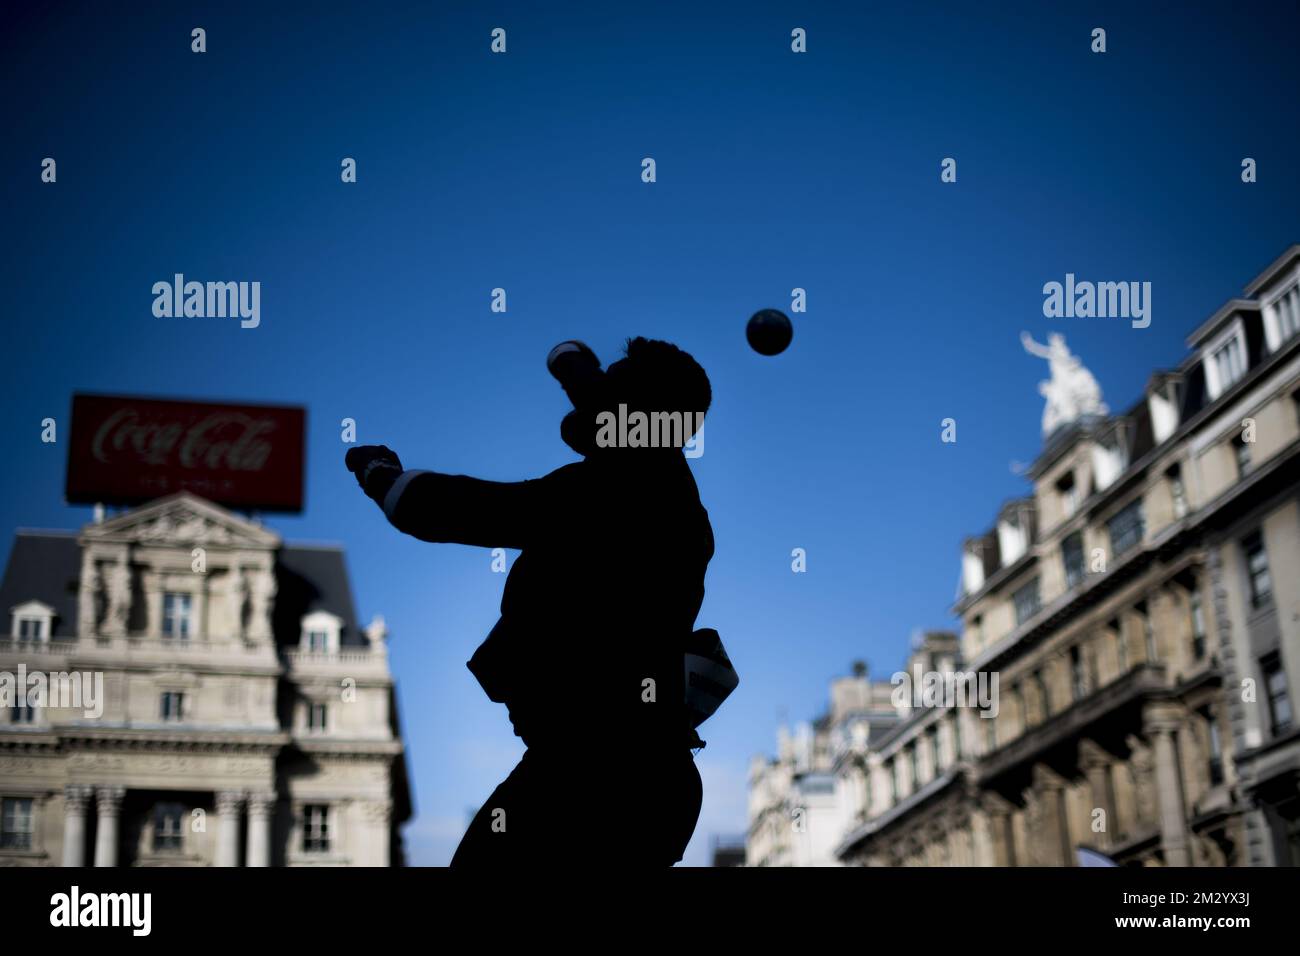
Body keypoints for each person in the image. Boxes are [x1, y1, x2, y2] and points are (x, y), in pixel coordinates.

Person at [345, 337, 714, 866]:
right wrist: (573, 366)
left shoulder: (616, 488)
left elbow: (447, 510)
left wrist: (381, 475)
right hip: (626, 770)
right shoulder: (663, 486)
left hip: (598, 775)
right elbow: (607, 401)